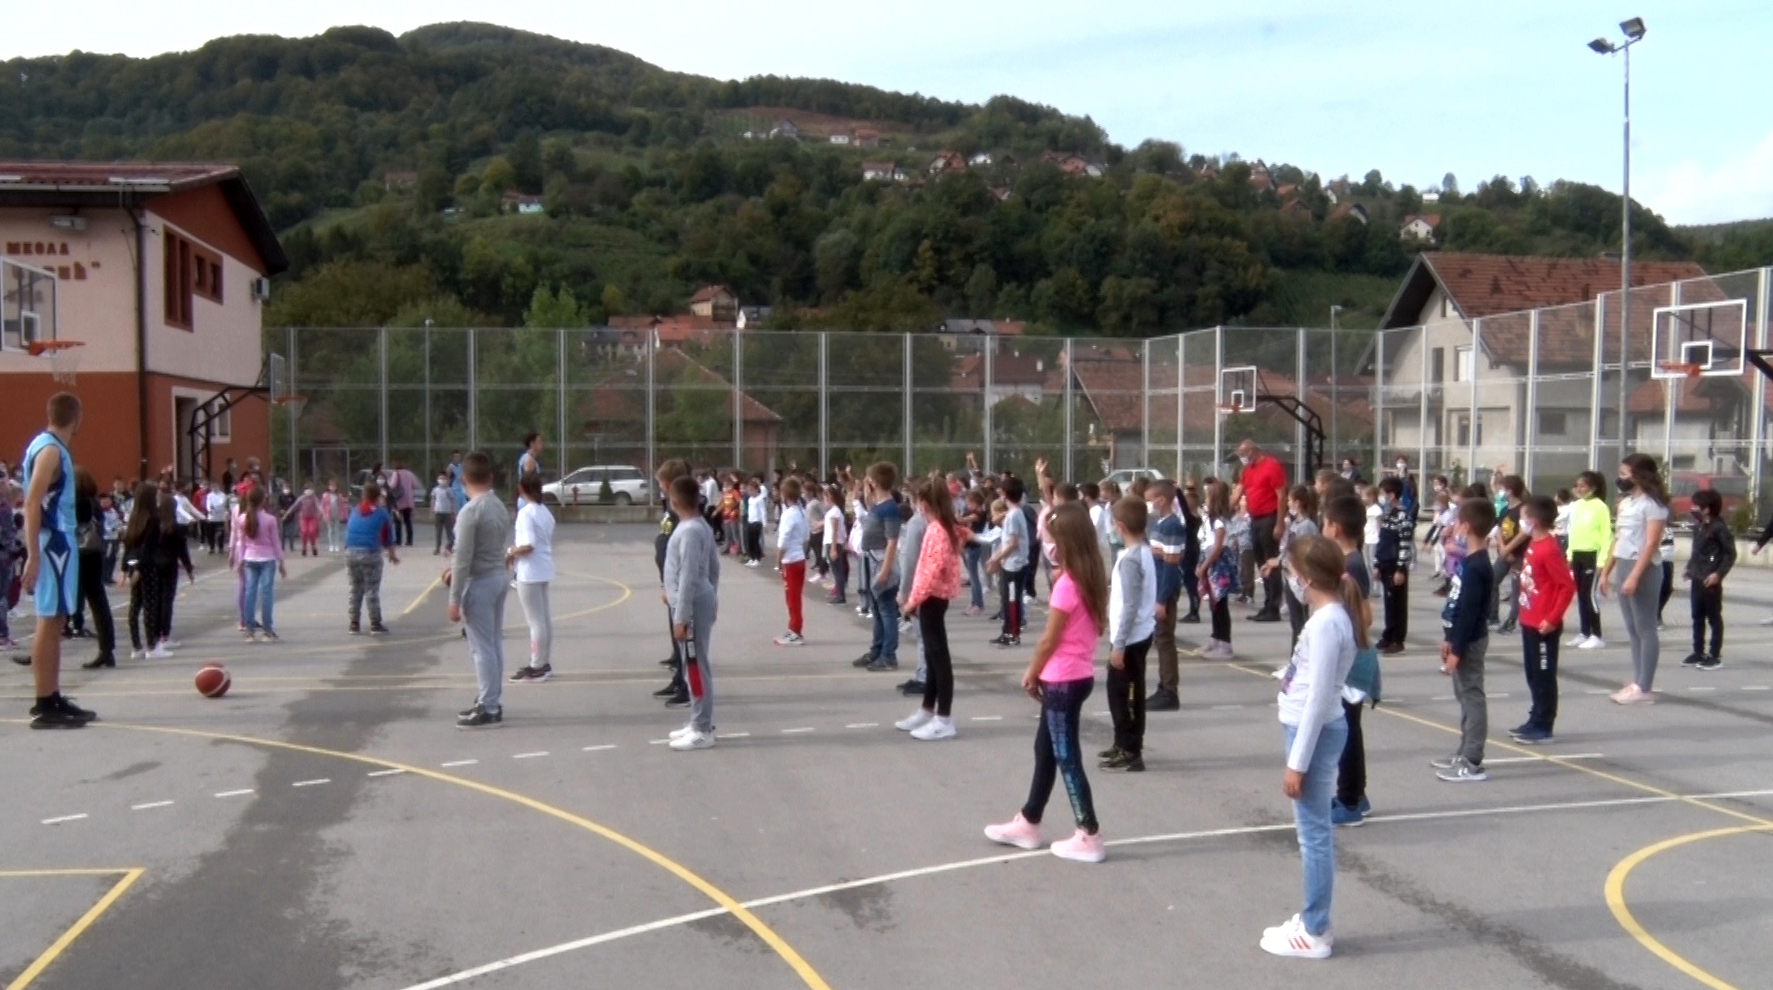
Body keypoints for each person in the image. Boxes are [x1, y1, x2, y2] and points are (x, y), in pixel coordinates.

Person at [983, 504, 1110, 864]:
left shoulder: (1068, 585)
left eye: (1052, 540)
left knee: (1067, 757)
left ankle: (1089, 833)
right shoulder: (1088, 579)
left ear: (1067, 543)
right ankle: (1029, 820)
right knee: (1046, 750)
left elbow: (1049, 639)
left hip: (1062, 680)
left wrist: (1031, 671)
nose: (1048, 546)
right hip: (1076, 675)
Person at [1261, 534, 1360, 959]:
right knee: (1312, 832)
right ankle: (1312, 919)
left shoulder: (1326, 623)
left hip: (1313, 733)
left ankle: (1316, 928)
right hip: (1309, 727)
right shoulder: (1327, 618)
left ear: (1307, 578)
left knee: (1313, 835)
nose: (1290, 581)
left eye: (1292, 574)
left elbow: (1319, 698)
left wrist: (1297, 764)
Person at [18, 394, 97, 727]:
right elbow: (32, 502)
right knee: (50, 620)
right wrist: (33, 555)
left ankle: (51, 695)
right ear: (76, 417)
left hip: (57, 542)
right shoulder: (50, 450)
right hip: (54, 543)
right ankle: (43, 703)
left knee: (57, 619)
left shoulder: (46, 446)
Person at [1321, 495, 1376, 827]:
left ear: (1336, 527)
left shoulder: (1351, 565)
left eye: (1325, 522)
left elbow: (1365, 614)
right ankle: (1357, 793)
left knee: (1347, 731)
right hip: (1350, 656)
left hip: (1352, 660)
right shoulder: (1347, 561)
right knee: (1349, 727)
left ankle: (1350, 799)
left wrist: (1342, 634)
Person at [1435, 497, 1496, 782]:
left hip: (1469, 641)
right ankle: (1464, 749)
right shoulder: (1469, 562)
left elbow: (1470, 614)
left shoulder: (1478, 566)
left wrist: (1457, 649)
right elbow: (1456, 605)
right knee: (1463, 695)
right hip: (1459, 637)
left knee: (1472, 696)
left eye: (1458, 522)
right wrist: (1448, 637)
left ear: (1467, 527)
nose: (1454, 527)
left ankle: (1472, 759)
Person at [897, 478, 963, 740]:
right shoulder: (941, 527)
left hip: (932, 598)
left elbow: (930, 573)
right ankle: (928, 709)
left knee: (939, 658)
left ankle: (944, 718)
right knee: (934, 657)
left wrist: (912, 601)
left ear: (925, 503)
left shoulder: (937, 530)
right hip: (931, 597)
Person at [1600, 454, 1669, 706]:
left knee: (1645, 627)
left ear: (1640, 476)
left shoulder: (1653, 505)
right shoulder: (1626, 503)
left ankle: (1644, 685)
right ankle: (1638, 680)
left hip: (1643, 567)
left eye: (1625, 474)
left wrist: (1635, 576)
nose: (1621, 478)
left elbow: (1651, 543)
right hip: (1624, 562)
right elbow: (1618, 538)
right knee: (1632, 628)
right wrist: (1606, 572)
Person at [449, 452, 511, 729]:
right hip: (497, 575)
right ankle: (491, 697)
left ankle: (489, 705)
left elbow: (462, 558)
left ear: (463, 479)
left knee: (481, 647)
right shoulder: (498, 506)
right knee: (493, 643)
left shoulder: (470, 512)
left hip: (480, 581)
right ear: (490, 477)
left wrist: (454, 597)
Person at [1510, 495, 1575, 745]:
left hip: (1543, 624)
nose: (1521, 522)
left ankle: (1544, 724)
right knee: (1532, 673)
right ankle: (1535, 716)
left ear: (1534, 521)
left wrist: (1552, 618)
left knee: (1544, 675)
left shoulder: (1549, 548)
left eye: (1524, 517)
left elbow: (1566, 586)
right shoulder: (1533, 543)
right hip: (1529, 619)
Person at [663, 475, 721, 751]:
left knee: (696, 666)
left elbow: (689, 575)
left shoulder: (689, 531)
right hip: (697, 599)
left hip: (692, 605)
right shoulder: (700, 526)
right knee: (691, 665)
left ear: (674, 501)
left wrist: (681, 616)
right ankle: (697, 719)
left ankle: (702, 727)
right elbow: (713, 568)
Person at [1100, 497, 1156, 772]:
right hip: (1134, 634)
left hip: (1131, 638)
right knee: (1117, 693)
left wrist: (1119, 644)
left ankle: (1131, 749)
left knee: (1125, 696)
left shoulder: (1132, 559)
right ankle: (1121, 741)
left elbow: (1131, 605)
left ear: (1120, 526)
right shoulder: (1140, 552)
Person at [508, 473, 557, 683]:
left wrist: (510, 552)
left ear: (521, 489)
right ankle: (543, 662)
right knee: (543, 619)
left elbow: (528, 545)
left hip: (529, 571)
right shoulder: (544, 512)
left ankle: (537, 665)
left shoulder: (526, 513)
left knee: (535, 621)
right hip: (543, 568)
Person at [855, 463, 904, 669]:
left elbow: (892, 541)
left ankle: (888, 654)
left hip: (881, 561)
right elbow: (869, 508)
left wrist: (885, 570)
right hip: (871, 559)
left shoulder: (889, 508)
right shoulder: (878, 505)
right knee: (876, 608)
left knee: (886, 608)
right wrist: (868, 494)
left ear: (875, 482)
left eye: (869, 479)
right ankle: (877, 649)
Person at [1235, 439, 1288, 620]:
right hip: (1255, 518)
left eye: (1243, 454)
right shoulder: (1247, 471)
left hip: (1269, 517)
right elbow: (1239, 491)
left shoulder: (1271, 466)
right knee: (1261, 563)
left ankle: (1274, 606)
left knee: (1270, 560)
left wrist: (1279, 523)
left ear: (1252, 451)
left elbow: (1281, 495)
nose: (1242, 458)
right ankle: (1267, 603)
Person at [1682, 489, 1734, 672]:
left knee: (1713, 617)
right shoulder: (1699, 526)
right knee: (1697, 616)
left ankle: (1714, 655)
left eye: (1697, 506)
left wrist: (1718, 574)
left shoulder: (1719, 528)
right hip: (1697, 577)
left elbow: (1730, 554)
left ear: (1707, 508)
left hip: (1711, 579)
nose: (1693, 509)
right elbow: (1697, 552)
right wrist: (1689, 568)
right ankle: (1698, 651)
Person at [1146, 480, 1186, 709]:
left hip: (1165, 589)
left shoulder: (1172, 526)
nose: (1149, 504)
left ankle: (1169, 690)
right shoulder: (1161, 524)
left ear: (1161, 500)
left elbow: (1170, 565)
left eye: (1150, 500)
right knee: (1160, 639)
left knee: (1164, 639)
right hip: (1158, 588)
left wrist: (1162, 599)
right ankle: (1164, 686)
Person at [72, 468, 117, 670]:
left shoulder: (80, 503)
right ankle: (107, 649)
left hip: (81, 553)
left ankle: (42, 648)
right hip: (93, 552)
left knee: (66, 600)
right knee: (98, 601)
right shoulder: (94, 503)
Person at [344, 481, 400, 635]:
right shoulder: (381, 513)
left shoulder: (355, 511)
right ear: (378, 496)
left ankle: (354, 623)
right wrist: (392, 556)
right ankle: (375, 623)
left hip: (350, 552)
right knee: (371, 589)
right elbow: (388, 538)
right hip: (369, 553)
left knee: (355, 588)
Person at [121, 484, 170, 660]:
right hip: (147, 566)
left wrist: (126, 568)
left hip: (133, 562)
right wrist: (140, 568)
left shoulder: (134, 518)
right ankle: (152, 645)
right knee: (150, 606)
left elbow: (128, 544)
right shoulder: (153, 519)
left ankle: (136, 646)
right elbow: (148, 547)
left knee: (135, 605)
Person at [232, 487, 287, 643]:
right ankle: (267, 630)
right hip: (267, 559)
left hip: (249, 558)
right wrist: (281, 561)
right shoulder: (269, 519)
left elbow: (242, 542)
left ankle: (249, 629)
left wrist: (240, 561)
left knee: (250, 593)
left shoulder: (242, 518)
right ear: (263, 500)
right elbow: (276, 542)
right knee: (266, 594)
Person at [1265, 485, 1318, 646]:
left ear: (1298, 502)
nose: (1287, 503)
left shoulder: (1307, 526)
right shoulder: (1296, 525)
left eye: (1289, 500)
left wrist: (1281, 562)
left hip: (1300, 577)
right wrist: (1276, 561)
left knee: (1300, 622)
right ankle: (1295, 655)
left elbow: (1303, 554)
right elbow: (1289, 549)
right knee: (1295, 622)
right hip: (1290, 575)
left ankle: (1301, 656)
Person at [1565, 472, 1610, 649]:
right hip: (1577, 554)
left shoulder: (1600, 507)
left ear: (1593, 488)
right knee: (1581, 595)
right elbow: (1572, 531)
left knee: (1590, 595)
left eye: (1583, 486)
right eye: (1577, 485)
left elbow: (1606, 535)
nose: (1579, 489)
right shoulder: (1576, 506)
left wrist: (1602, 561)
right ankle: (1584, 632)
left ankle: (1596, 634)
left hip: (1592, 555)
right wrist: (1569, 555)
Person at [1195, 479, 1237, 660]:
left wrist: (1205, 565)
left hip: (1217, 563)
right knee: (1213, 603)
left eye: (1208, 497)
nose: (1205, 501)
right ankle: (1216, 638)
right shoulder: (1208, 519)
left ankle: (1225, 643)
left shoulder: (1219, 522)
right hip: (1208, 558)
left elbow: (1217, 547)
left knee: (1220, 603)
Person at [987, 476, 1030, 648]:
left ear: (1004, 494)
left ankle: (1013, 633)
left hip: (1014, 565)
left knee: (1012, 600)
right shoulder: (1014, 513)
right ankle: (1007, 631)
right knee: (1007, 600)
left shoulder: (1013, 516)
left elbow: (1013, 543)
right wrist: (996, 557)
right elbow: (1006, 541)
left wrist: (996, 560)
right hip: (1011, 563)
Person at [1374, 476, 1415, 655]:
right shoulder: (1388, 516)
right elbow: (1382, 541)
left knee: (1397, 603)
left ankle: (1398, 638)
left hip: (1395, 566)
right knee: (1389, 603)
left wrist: (1400, 568)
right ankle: (1388, 634)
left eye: (1383, 494)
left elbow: (1405, 544)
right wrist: (1377, 564)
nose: (1381, 497)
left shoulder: (1402, 517)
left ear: (1392, 495)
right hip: (1385, 564)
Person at [774, 477, 809, 646]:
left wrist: (778, 560)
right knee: (794, 596)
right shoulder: (802, 512)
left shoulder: (789, 514)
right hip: (799, 557)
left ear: (785, 495)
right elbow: (806, 536)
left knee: (792, 597)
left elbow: (783, 539)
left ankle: (795, 630)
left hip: (791, 560)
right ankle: (793, 627)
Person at [823, 484, 850, 606]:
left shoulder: (834, 512)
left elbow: (834, 530)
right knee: (837, 569)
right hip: (834, 542)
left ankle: (841, 595)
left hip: (833, 542)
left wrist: (833, 547)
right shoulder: (835, 511)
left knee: (837, 570)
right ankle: (839, 593)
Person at [284, 484, 322, 557]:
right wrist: (287, 513)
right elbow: (294, 506)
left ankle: (313, 546)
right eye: (307, 489)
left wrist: (321, 511)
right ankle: (304, 547)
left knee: (312, 531)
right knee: (304, 532)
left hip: (312, 517)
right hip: (303, 517)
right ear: (304, 491)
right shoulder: (301, 498)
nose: (309, 491)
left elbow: (319, 505)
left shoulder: (314, 498)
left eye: (310, 489)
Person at [431, 472, 458, 556]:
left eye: (444, 478)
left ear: (447, 480)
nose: (442, 480)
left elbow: (452, 501)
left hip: (447, 513)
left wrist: (454, 512)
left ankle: (449, 546)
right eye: (440, 478)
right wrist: (432, 511)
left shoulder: (449, 490)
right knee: (438, 531)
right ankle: (437, 548)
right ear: (437, 480)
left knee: (449, 531)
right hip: (438, 512)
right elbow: (433, 500)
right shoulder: (435, 490)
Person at [320, 479, 349, 554]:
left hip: (337, 514)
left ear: (336, 487)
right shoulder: (325, 495)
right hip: (329, 515)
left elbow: (342, 506)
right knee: (330, 530)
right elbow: (322, 505)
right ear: (328, 487)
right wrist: (324, 514)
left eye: (334, 486)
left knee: (337, 530)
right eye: (331, 486)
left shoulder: (339, 495)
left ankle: (336, 545)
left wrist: (344, 514)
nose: (332, 488)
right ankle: (331, 545)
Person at [515, 433, 543, 506]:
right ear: (532, 444)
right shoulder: (529, 460)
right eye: (539, 441)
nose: (541, 444)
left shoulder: (530, 458)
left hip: (527, 499)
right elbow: (527, 482)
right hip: (527, 500)